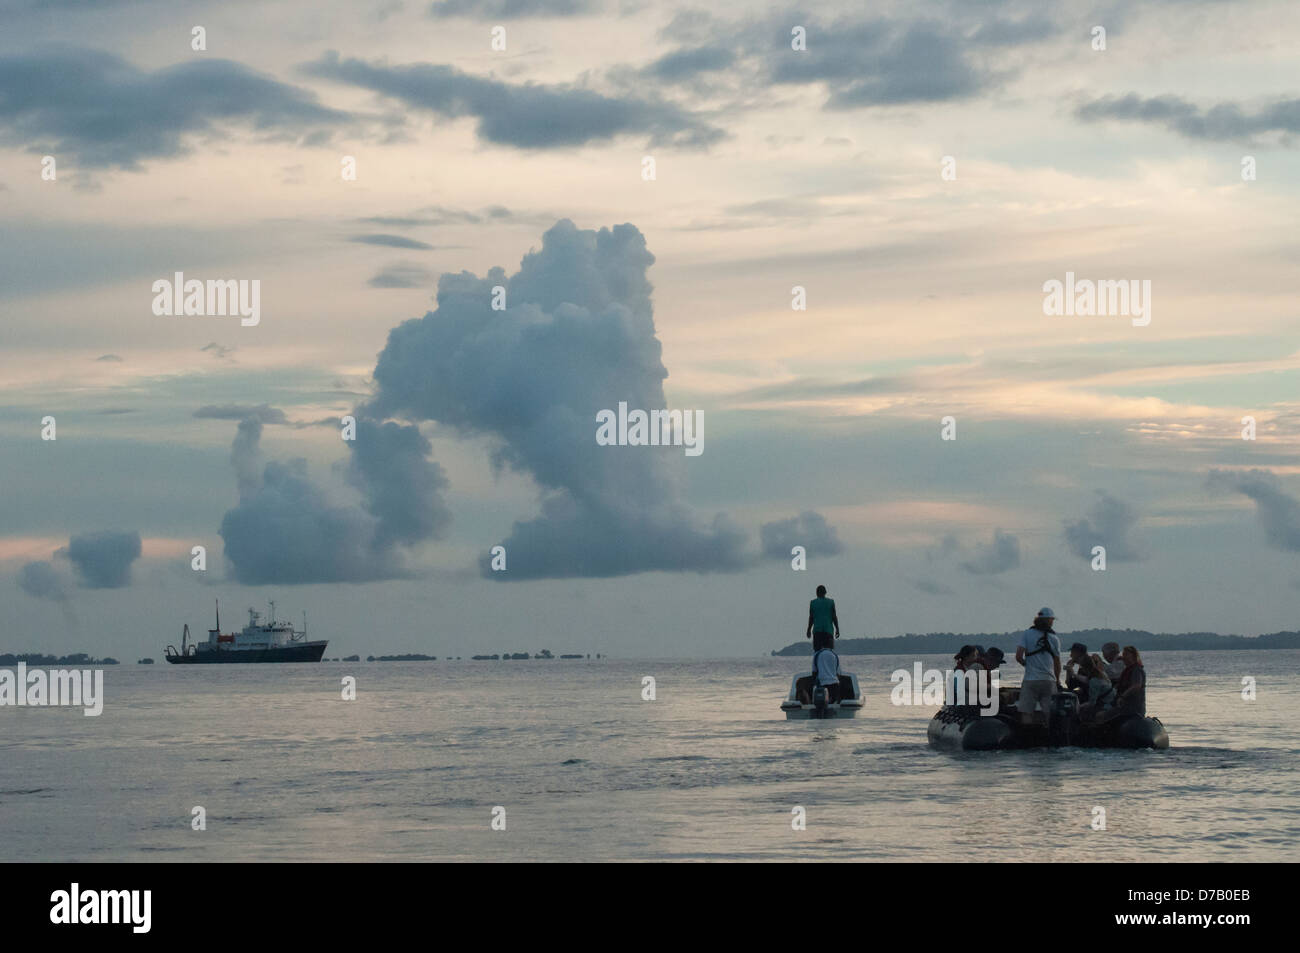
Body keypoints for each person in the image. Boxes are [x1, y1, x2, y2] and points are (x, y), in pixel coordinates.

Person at [1014, 607, 1062, 728]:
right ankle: (1049, 735)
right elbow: (1057, 663)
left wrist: (1026, 664)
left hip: (1030, 680)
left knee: (1026, 711)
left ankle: (1028, 735)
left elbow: (1019, 656)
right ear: (1049, 621)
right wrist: (1057, 680)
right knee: (1049, 712)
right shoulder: (1055, 638)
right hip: (1049, 680)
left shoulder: (1027, 634)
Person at [1098, 646, 1146, 722]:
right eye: (1123, 654)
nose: (1124, 657)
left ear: (1133, 656)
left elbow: (1137, 686)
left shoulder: (1137, 670)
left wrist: (1123, 696)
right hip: (1123, 705)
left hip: (1131, 708)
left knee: (1100, 715)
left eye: (1126, 654)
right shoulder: (1127, 670)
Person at [1078, 653, 1114, 721]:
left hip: (1107, 705)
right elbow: (1086, 680)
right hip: (1112, 701)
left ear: (1084, 668)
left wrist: (1079, 706)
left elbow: (1092, 703)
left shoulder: (1094, 681)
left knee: (1082, 713)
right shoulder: (1102, 673)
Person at [806, 585, 840, 652]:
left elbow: (811, 618)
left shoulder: (813, 603)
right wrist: (837, 629)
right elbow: (834, 617)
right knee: (828, 652)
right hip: (828, 631)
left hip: (817, 632)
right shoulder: (831, 602)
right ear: (825, 592)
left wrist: (808, 630)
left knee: (818, 652)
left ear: (816, 593)